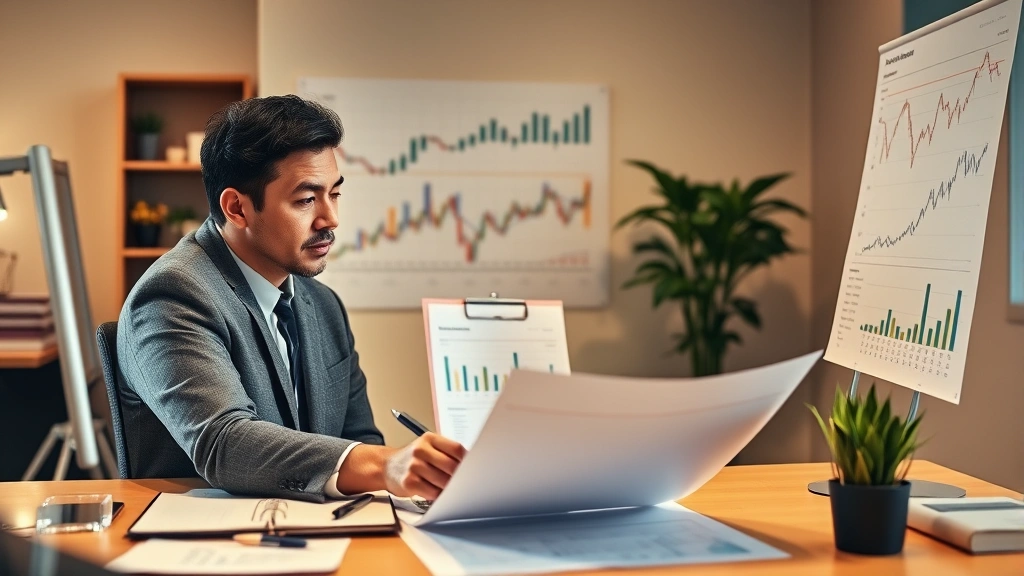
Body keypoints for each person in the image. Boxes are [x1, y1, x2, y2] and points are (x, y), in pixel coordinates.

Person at [116, 95, 465, 502]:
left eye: (334, 194)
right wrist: (387, 466)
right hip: (208, 547)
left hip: (320, 537)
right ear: (237, 208)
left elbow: (360, 438)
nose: (330, 219)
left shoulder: (323, 305)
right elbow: (225, 444)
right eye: (305, 200)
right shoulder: (173, 296)